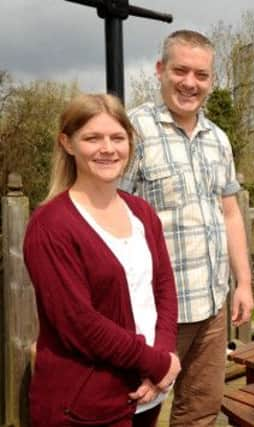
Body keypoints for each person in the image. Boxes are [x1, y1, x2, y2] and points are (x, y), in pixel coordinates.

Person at [120, 30, 254, 426]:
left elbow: (230, 214)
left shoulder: (218, 139)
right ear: (160, 70)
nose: (190, 83)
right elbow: (111, 218)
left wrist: (242, 283)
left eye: (201, 74)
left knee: (199, 411)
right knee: (138, 408)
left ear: (212, 80)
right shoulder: (133, 131)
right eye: (181, 70)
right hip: (156, 311)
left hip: (211, 306)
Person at [23, 93, 181, 427]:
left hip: (146, 394)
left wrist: (164, 360)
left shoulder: (141, 212)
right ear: (67, 143)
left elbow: (164, 288)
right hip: (84, 406)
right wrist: (155, 364)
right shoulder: (51, 225)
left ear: (130, 142)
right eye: (92, 138)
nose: (107, 148)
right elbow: (79, 324)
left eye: (117, 138)